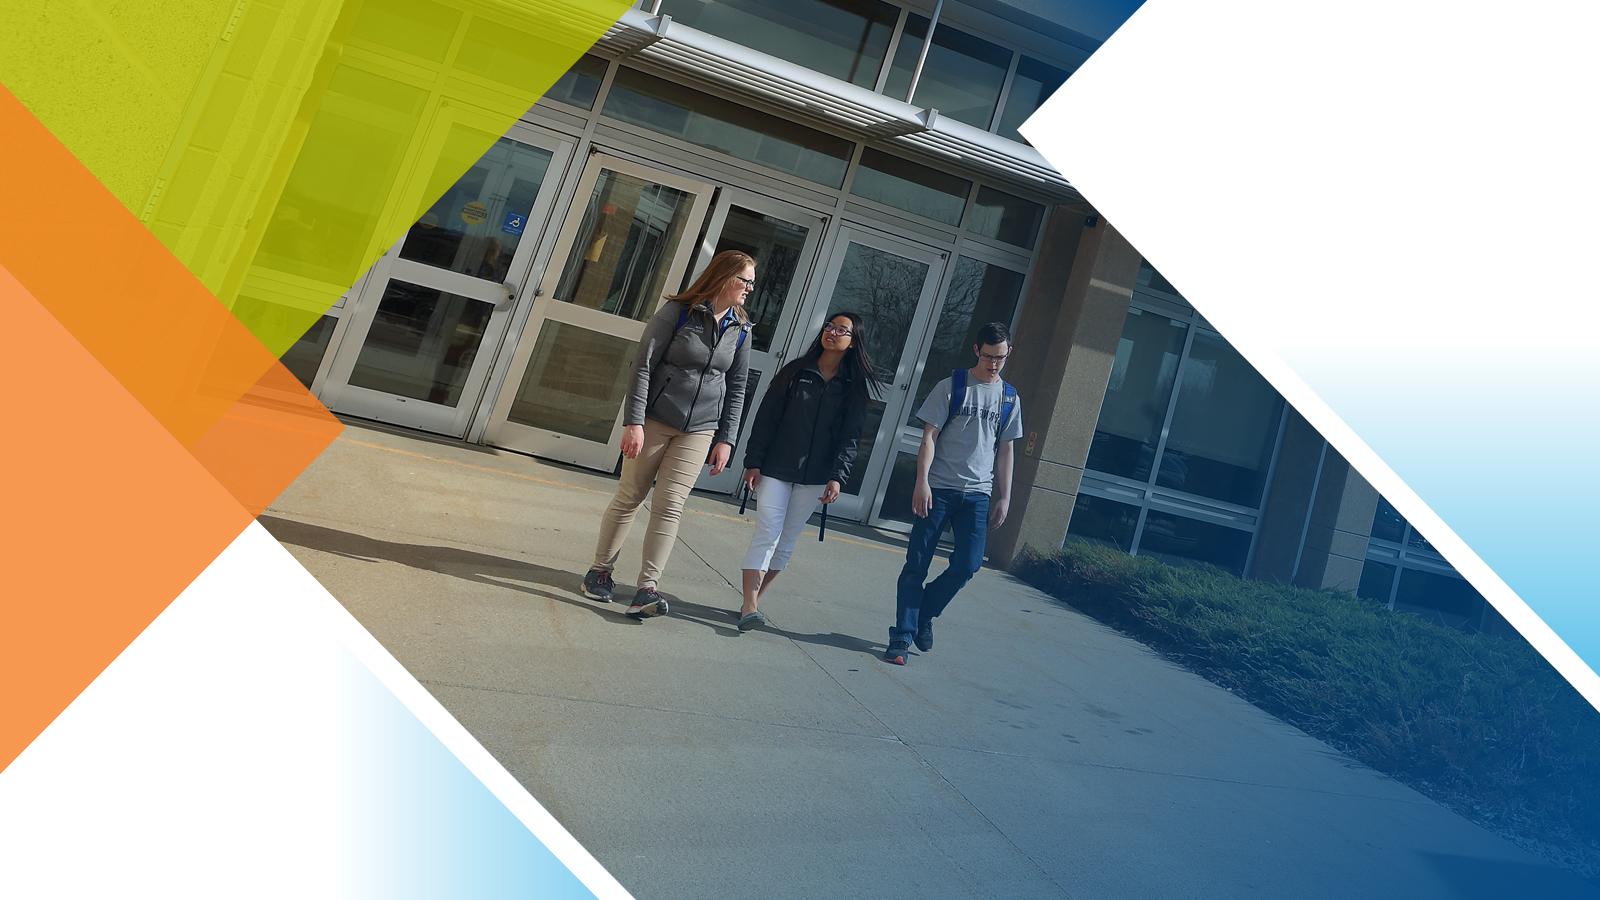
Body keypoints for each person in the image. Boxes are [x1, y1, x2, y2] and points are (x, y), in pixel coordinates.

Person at [580, 250, 755, 619]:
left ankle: (647, 588)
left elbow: (737, 386)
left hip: (701, 429)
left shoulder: (741, 329)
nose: (749, 289)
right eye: (746, 281)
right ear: (725, 278)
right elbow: (642, 366)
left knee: (670, 506)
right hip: (656, 419)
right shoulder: (678, 313)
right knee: (630, 496)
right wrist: (635, 422)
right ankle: (599, 572)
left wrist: (727, 438)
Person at [886, 321, 1023, 665]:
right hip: (940, 490)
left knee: (968, 564)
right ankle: (902, 637)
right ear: (976, 350)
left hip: (977, 495)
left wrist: (1004, 497)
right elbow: (929, 436)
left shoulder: (1009, 398)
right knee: (917, 562)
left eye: (1001, 358)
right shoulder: (952, 386)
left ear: (1009, 353)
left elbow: (1006, 450)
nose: (994, 364)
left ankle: (924, 612)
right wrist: (922, 481)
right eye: (989, 356)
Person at [735, 312, 883, 631]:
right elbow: (766, 420)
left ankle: (753, 601)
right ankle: (749, 606)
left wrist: (837, 477)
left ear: (853, 341)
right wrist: (753, 461)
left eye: (841, 330)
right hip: (775, 467)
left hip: (816, 476)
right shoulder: (795, 372)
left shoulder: (853, 388)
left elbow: (850, 437)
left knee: (786, 541)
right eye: (829, 327)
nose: (832, 333)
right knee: (768, 531)